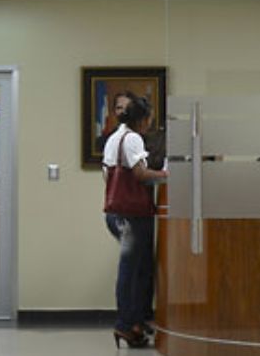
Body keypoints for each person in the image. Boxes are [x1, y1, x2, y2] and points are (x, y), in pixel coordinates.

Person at [101, 94, 168, 349]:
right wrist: (166, 174)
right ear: (141, 119)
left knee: (136, 268)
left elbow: (107, 175)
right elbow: (140, 174)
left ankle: (135, 323)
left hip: (116, 213)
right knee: (131, 271)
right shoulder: (133, 138)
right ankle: (126, 324)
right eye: (148, 119)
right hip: (132, 215)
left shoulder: (114, 138)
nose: (149, 124)